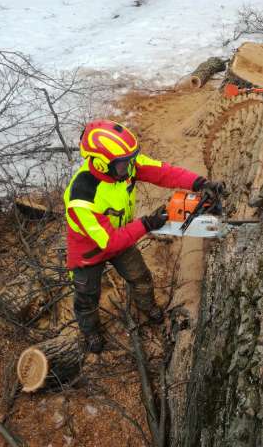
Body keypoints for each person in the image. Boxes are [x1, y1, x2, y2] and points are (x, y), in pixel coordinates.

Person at [64, 119, 224, 353]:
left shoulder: (124, 165)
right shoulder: (82, 198)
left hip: (123, 237)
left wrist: (199, 183)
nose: (130, 168)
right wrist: (147, 224)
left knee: (140, 277)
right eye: (123, 164)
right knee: (87, 297)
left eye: (130, 161)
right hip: (89, 252)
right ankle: (90, 332)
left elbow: (163, 172)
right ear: (101, 163)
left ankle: (146, 307)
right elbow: (108, 242)